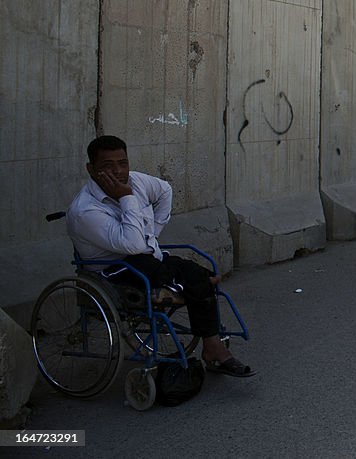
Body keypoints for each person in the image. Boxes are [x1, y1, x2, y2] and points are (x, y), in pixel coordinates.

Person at [66, 135, 255, 377]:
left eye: (122, 163)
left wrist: (153, 232)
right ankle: (213, 340)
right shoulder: (84, 210)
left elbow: (165, 190)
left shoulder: (136, 180)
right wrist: (126, 197)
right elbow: (133, 245)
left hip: (146, 259)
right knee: (186, 279)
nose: (118, 171)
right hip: (112, 269)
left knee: (198, 271)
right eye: (107, 166)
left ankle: (212, 347)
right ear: (91, 170)